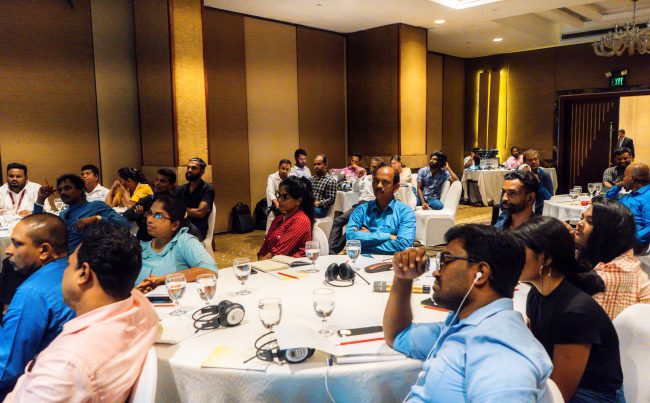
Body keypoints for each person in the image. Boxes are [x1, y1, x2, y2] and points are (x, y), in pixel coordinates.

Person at [384, 226, 552, 402]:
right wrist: (403, 278)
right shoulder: (464, 325)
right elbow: (397, 335)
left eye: (445, 261)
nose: (436, 272)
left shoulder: (500, 350)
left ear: (481, 273)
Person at [5, 222, 159, 402]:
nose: (62, 272)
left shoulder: (64, 366)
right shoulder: (141, 309)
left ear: (84, 273)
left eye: (68, 265)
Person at [514, 216, 623, 402]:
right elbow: (535, 351)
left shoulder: (575, 313)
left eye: (518, 252)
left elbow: (559, 395)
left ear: (546, 258)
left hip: (592, 395)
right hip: (556, 382)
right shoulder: (536, 294)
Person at [0, 214, 75, 398]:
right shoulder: (71, 272)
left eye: (17, 244)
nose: (8, 250)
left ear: (44, 250)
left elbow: (5, 370)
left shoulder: (32, 293)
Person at [574, 198, 650, 319]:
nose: (579, 223)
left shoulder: (611, 276)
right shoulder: (599, 255)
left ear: (607, 232)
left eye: (590, 221)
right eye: (582, 217)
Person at [135, 195, 218, 291]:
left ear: (174, 225)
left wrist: (161, 280)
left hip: (172, 298)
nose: (149, 220)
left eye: (158, 216)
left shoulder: (183, 242)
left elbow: (209, 270)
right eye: (150, 213)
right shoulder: (141, 247)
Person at [34, 174, 130, 253]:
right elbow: (36, 229)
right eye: (60, 190)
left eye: (67, 188)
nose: (62, 192)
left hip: (91, 260)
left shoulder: (95, 206)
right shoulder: (63, 214)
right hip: (66, 260)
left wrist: (96, 219)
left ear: (80, 189)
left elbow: (125, 225)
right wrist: (40, 199)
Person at [346, 164, 415, 254]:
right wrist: (388, 236)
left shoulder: (405, 212)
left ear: (396, 187)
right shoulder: (361, 210)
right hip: (362, 260)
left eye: (385, 182)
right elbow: (350, 238)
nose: (379, 185)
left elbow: (403, 245)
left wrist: (368, 238)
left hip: (392, 261)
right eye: (376, 181)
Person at [328, 157, 382, 254]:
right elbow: (355, 189)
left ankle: (333, 251)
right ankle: (332, 251)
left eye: (376, 167)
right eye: (372, 166)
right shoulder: (366, 178)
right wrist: (358, 177)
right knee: (338, 221)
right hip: (360, 205)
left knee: (352, 228)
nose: (373, 168)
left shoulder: (381, 181)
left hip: (370, 205)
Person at [258, 176, 314, 259]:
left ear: (298, 200)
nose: (279, 200)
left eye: (284, 197)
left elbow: (277, 254)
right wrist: (260, 260)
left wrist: (260, 264)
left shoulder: (301, 220)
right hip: (272, 264)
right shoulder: (279, 219)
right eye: (279, 195)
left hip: (291, 265)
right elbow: (264, 248)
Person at [123, 168, 177, 241]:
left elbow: (161, 220)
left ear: (171, 185)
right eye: (157, 180)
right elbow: (127, 214)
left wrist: (143, 215)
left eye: (162, 181)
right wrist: (142, 215)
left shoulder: (174, 202)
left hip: (161, 241)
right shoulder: (149, 198)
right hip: (142, 239)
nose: (157, 183)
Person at [606, 162, 650, 247]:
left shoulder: (647, 196)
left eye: (624, 176)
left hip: (632, 245)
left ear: (632, 178)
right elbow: (607, 202)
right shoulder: (632, 194)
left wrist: (630, 240)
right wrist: (618, 186)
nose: (622, 179)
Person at [174, 157, 215, 241]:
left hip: (197, 228)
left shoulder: (208, 189)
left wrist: (181, 210)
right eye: (188, 167)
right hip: (180, 224)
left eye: (194, 168)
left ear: (202, 172)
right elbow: (172, 208)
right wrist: (187, 211)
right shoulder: (181, 189)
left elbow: (200, 213)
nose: (189, 170)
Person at [523, 149, 553, 215]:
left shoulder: (545, 175)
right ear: (524, 162)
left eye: (535, 159)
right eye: (530, 160)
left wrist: (539, 184)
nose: (534, 162)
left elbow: (549, 198)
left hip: (540, 211)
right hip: (523, 210)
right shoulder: (521, 175)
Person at [310, 154, 337, 218]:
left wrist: (318, 203)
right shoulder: (310, 179)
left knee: (304, 211)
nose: (316, 166)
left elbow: (331, 198)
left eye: (319, 164)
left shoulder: (330, 180)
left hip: (321, 209)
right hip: (310, 206)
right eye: (314, 164)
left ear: (326, 165)